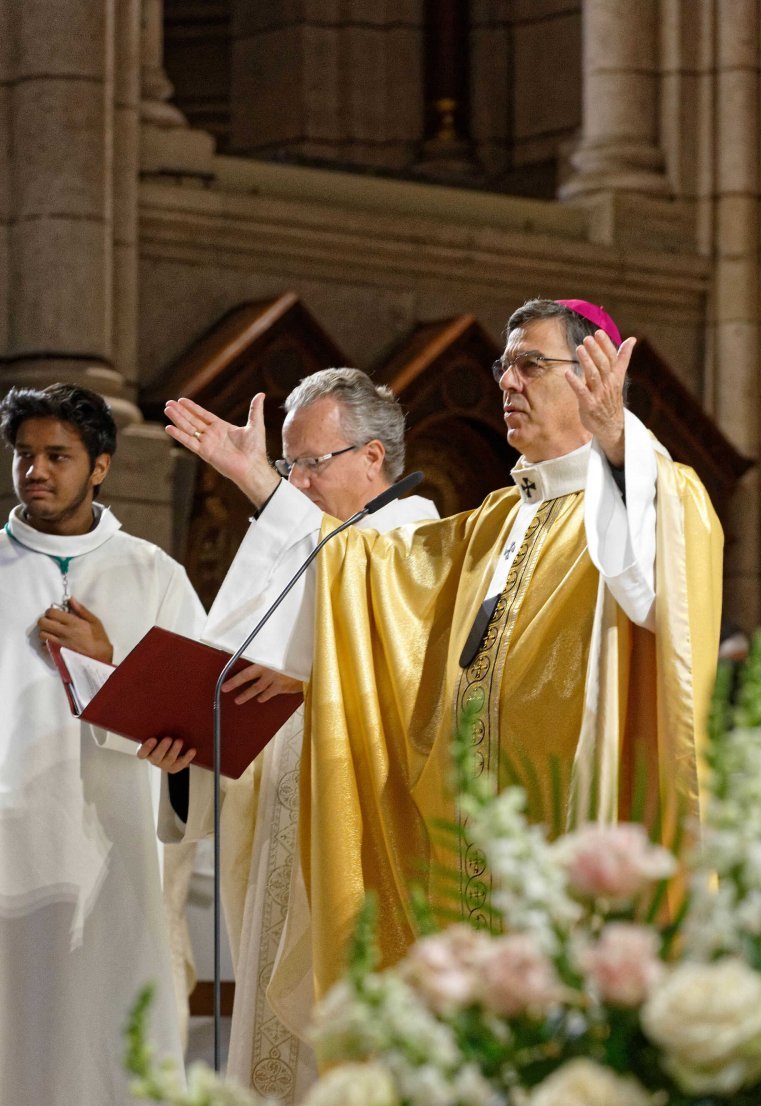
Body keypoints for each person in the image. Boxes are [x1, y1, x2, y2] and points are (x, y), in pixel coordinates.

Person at [163, 298, 723, 1016]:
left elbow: (652, 595)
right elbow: (362, 570)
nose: (508, 384)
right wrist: (264, 484)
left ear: (594, 374)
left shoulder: (654, 493)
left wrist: (618, 443)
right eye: (503, 365)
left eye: (530, 364)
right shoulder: (495, 521)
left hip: (573, 831)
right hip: (466, 854)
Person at [145, 367, 437, 1106]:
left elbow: (378, 663)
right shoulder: (314, 541)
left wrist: (260, 486)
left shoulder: (414, 543)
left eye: (312, 463)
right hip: (280, 850)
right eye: (289, 464)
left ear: (374, 455)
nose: (296, 482)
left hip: (365, 868)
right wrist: (190, 757)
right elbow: (239, 669)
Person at [0, 383, 203, 1106]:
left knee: (116, 1062)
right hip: (10, 858)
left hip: (116, 862)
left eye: (57, 457)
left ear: (103, 467)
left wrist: (109, 659)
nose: (35, 473)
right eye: (25, 457)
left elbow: (195, 726)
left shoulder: (152, 574)